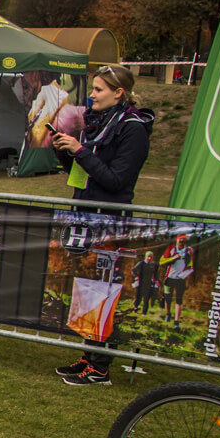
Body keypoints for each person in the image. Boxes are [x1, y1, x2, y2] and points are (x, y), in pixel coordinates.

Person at [50, 64, 154, 386]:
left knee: (104, 289)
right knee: (87, 288)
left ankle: (101, 367)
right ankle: (88, 356)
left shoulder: (133, 128)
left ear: (118, 92)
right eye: (92, 89)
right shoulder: (97, 123)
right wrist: (67, 154)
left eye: (98, 90)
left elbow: (116, 179)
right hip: (86, 216)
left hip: (110, 220)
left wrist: (80, 150)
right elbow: (86, 172)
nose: (91, 95)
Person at [159, 233, 195, 326]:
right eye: (180, 241)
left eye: (184, 241)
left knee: (179, 299)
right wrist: (172, 258)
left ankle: (176, 321)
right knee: (168, 298)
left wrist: (186, 273)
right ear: (177, 240)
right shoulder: (171, 248)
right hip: (169, 278)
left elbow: (190, 265)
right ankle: (168, 313)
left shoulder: (189, 250)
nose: (181, 243)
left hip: (180, 279)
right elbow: (161, 261)